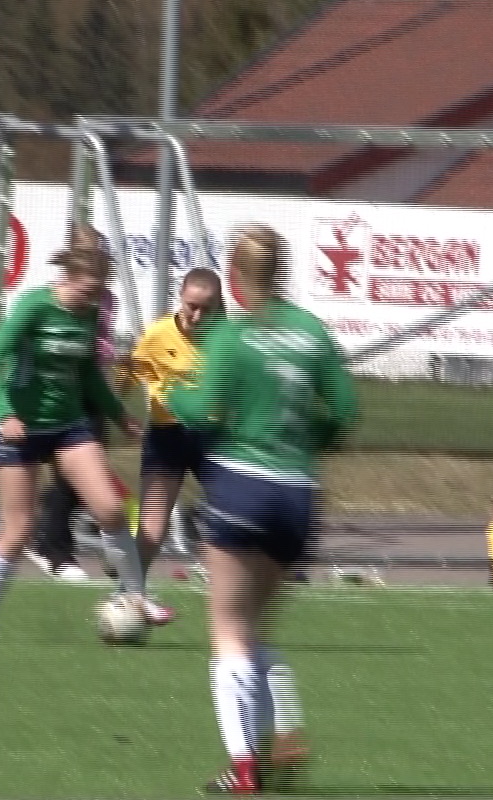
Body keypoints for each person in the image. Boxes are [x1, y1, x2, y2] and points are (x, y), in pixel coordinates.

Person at [167, 227, 357, 793]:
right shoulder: (311, 333)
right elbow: (343, 411)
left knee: (228, 629)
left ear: (238, 278)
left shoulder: (233, 336)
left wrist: (172, 393)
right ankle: (283, 731)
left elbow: (202, 411)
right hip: (297, 496)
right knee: (251, 628)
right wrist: (305, 441)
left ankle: (245, 766)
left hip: (244, 487)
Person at [0, 243, 153, 644]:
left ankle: (136, 595)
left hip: (69, 427)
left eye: (99, 290)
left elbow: (87, 376)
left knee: (111, 509)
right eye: (87, 289)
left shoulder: (91, 313)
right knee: (19, 529)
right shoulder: (34, 307)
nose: (93, 298)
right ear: (65, 280)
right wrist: (4, 414)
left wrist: (120, 415)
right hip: (21, 430)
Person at [28, 224, 121, 583]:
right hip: (63, 389)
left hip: (92, 387)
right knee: (72, 476)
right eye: (84, 250)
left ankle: (53, 536)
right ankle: (56, 550)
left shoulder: (107, 297)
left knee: (89, 473)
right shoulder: (51, 299)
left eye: (96, 249)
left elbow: (103, 339)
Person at [128, 266, 226, 606]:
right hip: (167, 437)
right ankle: (130, 593)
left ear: (219, 307)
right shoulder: (157, 335)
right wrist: (116, 408)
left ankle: (232, 589)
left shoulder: (228, 340)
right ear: (180, 299)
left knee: (236, 514)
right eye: (190, 306)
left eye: (205, 309)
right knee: (153, 530)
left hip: (214, 439)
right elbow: (129, 371)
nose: (196, 316)